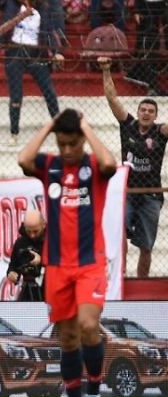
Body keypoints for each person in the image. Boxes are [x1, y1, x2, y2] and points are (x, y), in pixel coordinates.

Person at [18, 108, 117, 397]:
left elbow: (110, 164)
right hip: (58, 265)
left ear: (82, 142)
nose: (67, 150)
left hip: (90, 263)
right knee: (69, 337)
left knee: (89, 326)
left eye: (72, 144)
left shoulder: (93, 166)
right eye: (62, 144)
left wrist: (86, 126)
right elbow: (23, 159)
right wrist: (50, 125)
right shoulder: (51, 166)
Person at [100, 56, 168, 278]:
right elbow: (112, 98)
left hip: (151, 195)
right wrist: (106, 70)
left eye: (151, 110)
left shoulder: (160, 132)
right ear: (138, 112)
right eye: (143, 109)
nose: (146, 113)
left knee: (146, 246)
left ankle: (142, 285)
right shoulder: (127, 125)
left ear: (156, 115)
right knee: (120, 237)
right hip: (126, 192)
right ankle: (120, 279)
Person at [0, 0, 63, 146]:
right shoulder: (10, 5)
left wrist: (57, 52)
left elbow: (50, 31)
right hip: (15, 52)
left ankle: (60, 130)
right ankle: (14, 133)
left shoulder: (43, 9)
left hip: (36, 53)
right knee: (16, 95)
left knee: (49, 91)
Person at [6, 209, 45, 302]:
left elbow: (63, 264)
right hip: (27, 288)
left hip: (49, 289)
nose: (32, 235)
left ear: (43, 225)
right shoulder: (20, 242)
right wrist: (11, 273)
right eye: (29, 231)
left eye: (36, 231)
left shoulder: (52, 240)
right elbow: (13, 265)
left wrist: (42, 260)